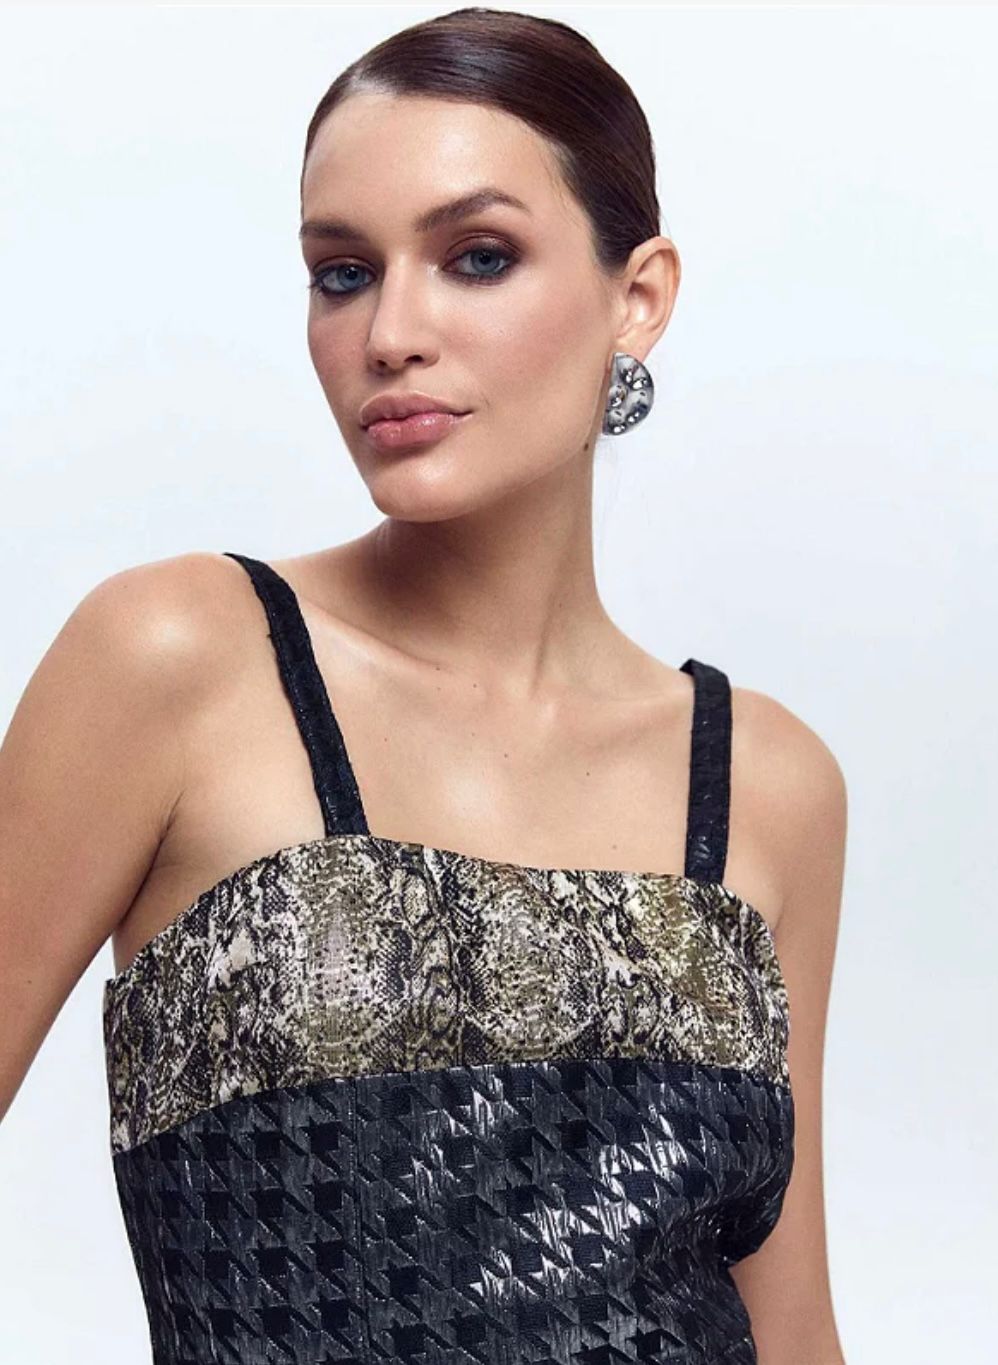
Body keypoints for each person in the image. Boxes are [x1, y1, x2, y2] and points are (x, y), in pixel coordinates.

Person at [0, 9, 848, 1363]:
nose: (391, 332)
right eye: (342, 274)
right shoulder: (178, 658)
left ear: (637, 296)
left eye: (477, 257)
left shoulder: (764, 778)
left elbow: (789, 1321)